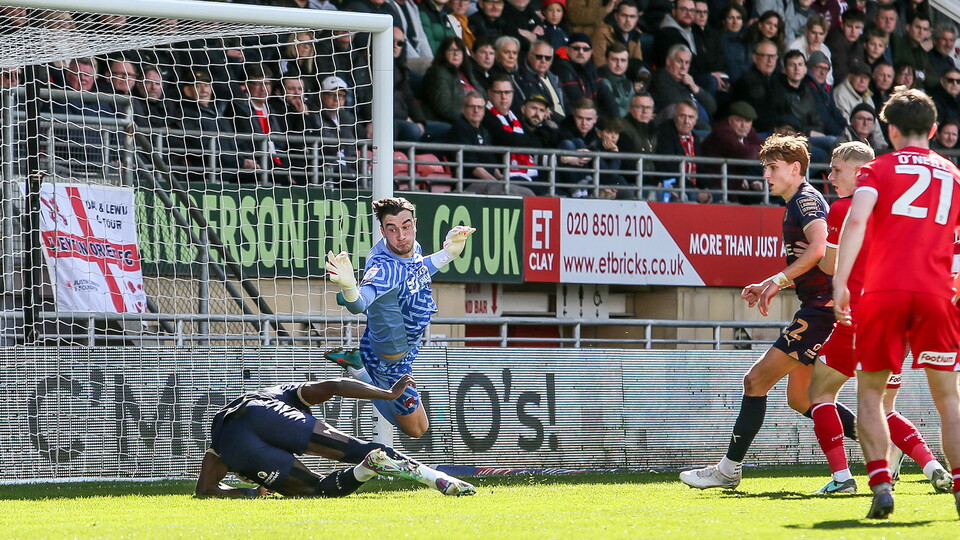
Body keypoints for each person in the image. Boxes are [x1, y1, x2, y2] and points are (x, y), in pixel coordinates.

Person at [680, 134, 856, 490]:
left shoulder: (805, 202)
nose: (767, 175)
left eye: (773, 168)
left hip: (821, 312)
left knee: (755, 381)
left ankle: (728, 469)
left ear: (795, 169)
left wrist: (777, 279)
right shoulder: (800, 202)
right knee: (799, 399)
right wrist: (771, 284)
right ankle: (887, 442)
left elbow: (821, 251)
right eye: (765, 168)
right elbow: (813, 264)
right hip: (820, 307)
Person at [832, 87, 960, 519]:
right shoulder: (953, 174)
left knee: (869, 393)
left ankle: (881, 485)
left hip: (883, 293)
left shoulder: (876, 169)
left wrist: (841, 281)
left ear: (889, 129)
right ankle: (959, 488)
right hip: (937, 292)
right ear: (935, 130)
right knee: (949, 399)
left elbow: (856, 220)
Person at [806, 141, 951, 495]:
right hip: (902, 315)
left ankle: (843, 479)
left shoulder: (843, 208)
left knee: (820, 394)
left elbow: (828, 264)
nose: (830, 177)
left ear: (860, 172)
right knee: (886, 405)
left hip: (858, 314)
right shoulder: (899, 210)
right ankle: (933, 466)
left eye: (837, 170)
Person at [325, 197, 476, 439]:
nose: (401, 235)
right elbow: (360, 303)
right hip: (392, 357)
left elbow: (417, 269)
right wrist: (349, 289)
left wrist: (448, 254)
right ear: (382, 230)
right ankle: (359, 369)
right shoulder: (383, 267)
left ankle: (359, 363)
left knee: (416, 421)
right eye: (392, 229)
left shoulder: (410, 249)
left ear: (415, 224)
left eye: (406, 226)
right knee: (416, 429)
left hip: (400, 342)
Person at [195, 376, 476, 498]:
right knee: (357, 448)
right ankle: (432, 476)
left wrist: (251, 493)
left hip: (235, 443)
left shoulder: (218, 440)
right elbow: (335, 385)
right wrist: (387, 394)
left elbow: (206, 489)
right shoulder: (283, 394)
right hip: (262, 411)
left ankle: (366, 470)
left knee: (319, 491)